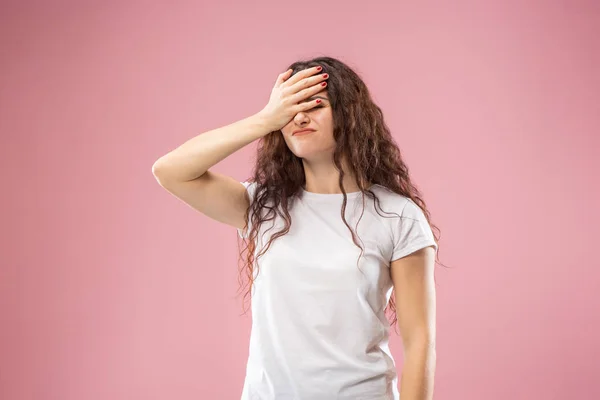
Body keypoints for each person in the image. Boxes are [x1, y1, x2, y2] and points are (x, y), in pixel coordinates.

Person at [152, 56, 441, 400]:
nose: (299, 117)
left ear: (349, 115)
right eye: (290, 109)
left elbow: (419, 340)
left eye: (315, 105)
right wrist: (264, 118)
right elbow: (169, 170)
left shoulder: (398, 216)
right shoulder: (262, 206)